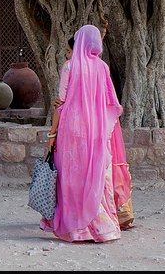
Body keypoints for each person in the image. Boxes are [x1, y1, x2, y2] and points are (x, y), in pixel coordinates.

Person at [41, 24, 124, 243]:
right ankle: (102, 227)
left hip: (71, 131)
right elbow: (111, 104)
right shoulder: (102, 68)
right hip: (96, 132)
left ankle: (74, 229)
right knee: (96, 176)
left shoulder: (70, 66)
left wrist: (52, 134)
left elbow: (60, 103)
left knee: (71, 177)